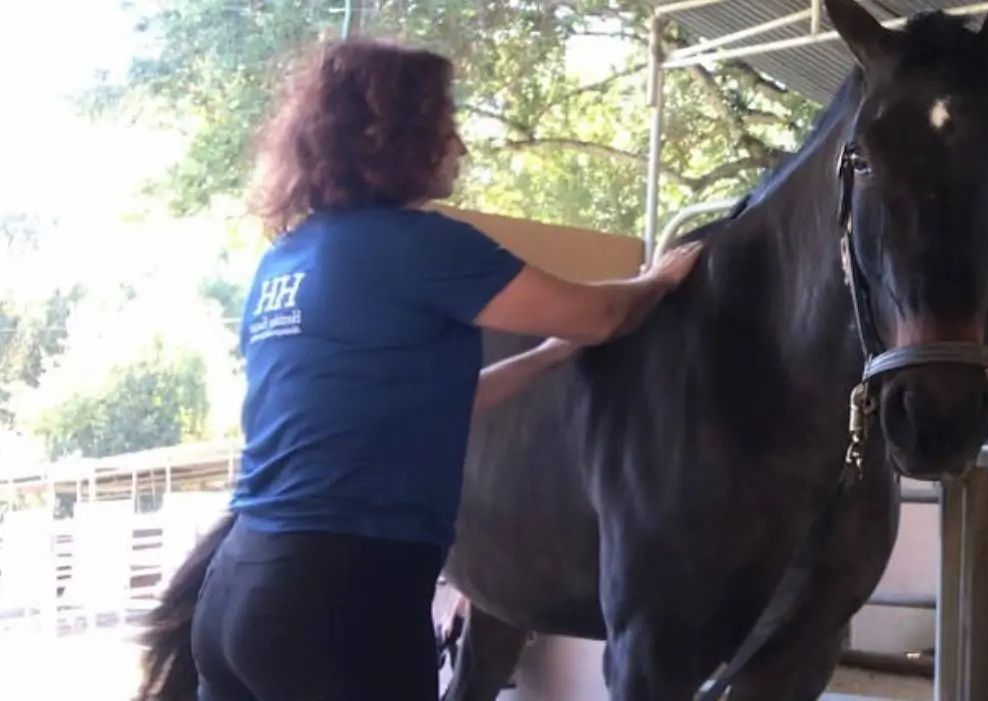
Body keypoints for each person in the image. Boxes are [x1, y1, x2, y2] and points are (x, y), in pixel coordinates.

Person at [188, 38, 704, 701]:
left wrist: (546, 355)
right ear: (395, 137)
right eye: (444, 126)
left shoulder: (285, 260)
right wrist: (658, 278)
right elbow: (602, 313)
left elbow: (417, 407)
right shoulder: (421, 247)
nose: (459, 145)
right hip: (342, 597)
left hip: (237, 588)